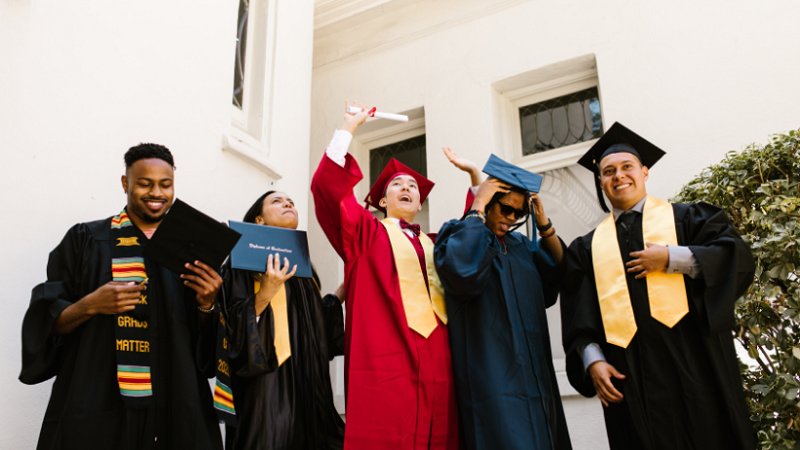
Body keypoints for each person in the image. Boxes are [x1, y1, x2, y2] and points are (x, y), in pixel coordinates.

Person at [559, 122, 756, 450]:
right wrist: (592, 361)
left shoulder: (689, 219)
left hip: (696, 366)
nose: (618, 176)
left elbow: (735, 256)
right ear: (601, 182)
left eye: (627, 167)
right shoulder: (588, 248)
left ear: (645, 172)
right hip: (630, 379)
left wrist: (670, 258)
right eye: (608, 171)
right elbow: (580, 313)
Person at [20, 143, 224, 450]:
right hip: (99, 404)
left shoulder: (192, 248)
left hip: (176, 404)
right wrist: (90, 305)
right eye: (144, 183)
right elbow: (46, 324)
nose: (156, 192)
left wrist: (208, 305)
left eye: (165, 184)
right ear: (125, 183)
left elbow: (208, 349)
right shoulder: (86, 240)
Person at [311, 101, 479, 450]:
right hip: (387, 363)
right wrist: (348, 129)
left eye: (413, 187)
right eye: (397, 185)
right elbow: (329, 191)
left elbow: (474, 235)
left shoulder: (438, 245)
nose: (406, 188)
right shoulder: (365, 235)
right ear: (381, 202)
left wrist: (475, 178)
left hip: (440, 361)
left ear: (419, 204)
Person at [435, 155, 573, 450]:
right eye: (506, 209)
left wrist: (543, 223)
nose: (512, 219)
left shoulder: (522, 246)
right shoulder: (458, 234)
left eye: (518, 215)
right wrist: (477, 204)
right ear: (489, 201)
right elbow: (463, 271)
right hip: (492, 373)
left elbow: (562, 273)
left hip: (535, 373)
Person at [220, 190, 346, 450]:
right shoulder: (241, 263)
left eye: (291, 202)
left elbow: (316, 322)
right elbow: (229, 326)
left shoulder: (303, 269)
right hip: (266, 384)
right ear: (259, 220)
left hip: (309, 381)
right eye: (276, 201)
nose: (288, 203)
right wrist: (265, 292)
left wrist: (345, 288)